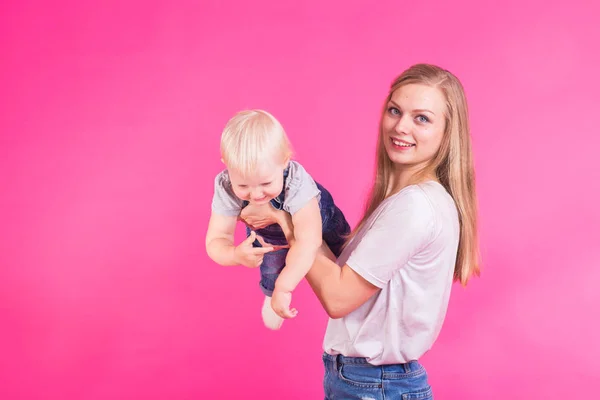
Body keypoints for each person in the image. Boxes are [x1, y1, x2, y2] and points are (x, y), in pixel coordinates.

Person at [240, 64, 480, 399]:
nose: (401, 126)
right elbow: (345, 273)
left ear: (446, 133)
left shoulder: (416, 206)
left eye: (421, 118)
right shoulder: (407, 201)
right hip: (366, 382)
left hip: (376, 385)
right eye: (395, 111)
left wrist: (288, 222)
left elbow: (339, 298)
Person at [205, 110, 350, 330]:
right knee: (270, 266)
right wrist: (235, 254)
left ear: (284, 162)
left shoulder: (296, 181)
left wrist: (286, 287)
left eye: (266, 183)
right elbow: (216, 239)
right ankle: (270, 291)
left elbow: (308, 242)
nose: (256, 196)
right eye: (243, 186)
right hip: (269, 233)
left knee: (344, 253)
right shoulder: (225, 185)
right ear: (227, 166)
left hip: (315, 220)